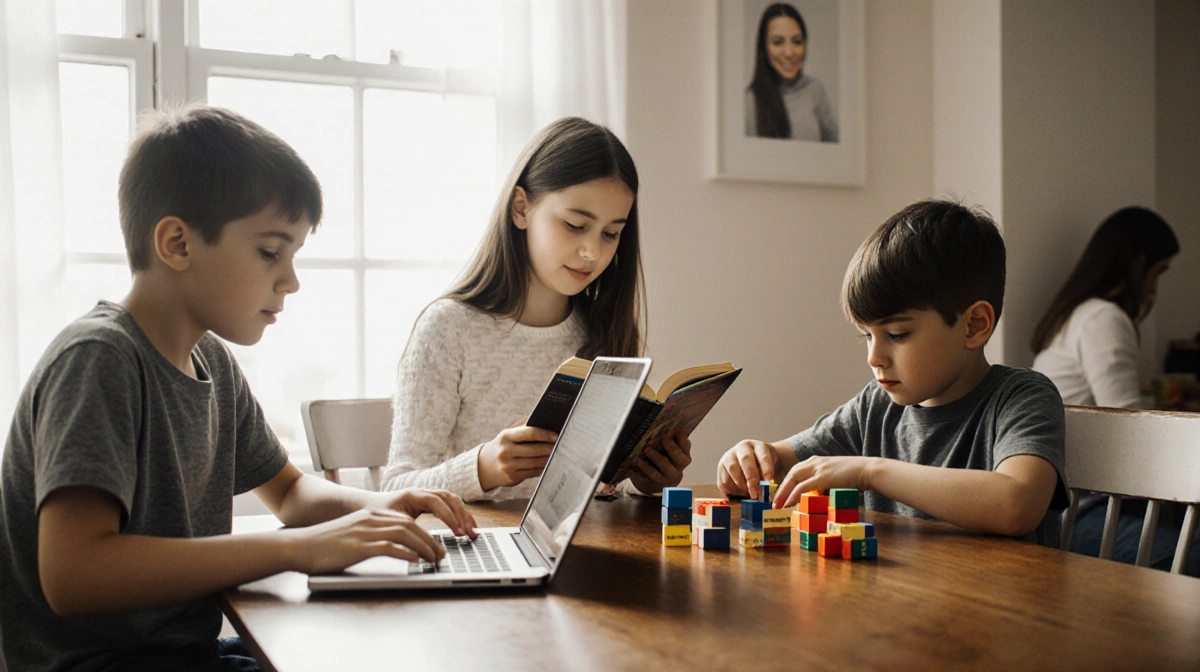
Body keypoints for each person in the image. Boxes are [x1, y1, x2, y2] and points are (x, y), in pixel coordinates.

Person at [0, 105, 477, 672]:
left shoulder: (211, 361)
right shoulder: (99, 360)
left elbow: (293, 496)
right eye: (271, 252)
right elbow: (74, 575)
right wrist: (295, 550)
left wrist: (380, 507)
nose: (291, 281)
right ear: (177, 243)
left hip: (184, 653)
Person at [717, 200, 1069, 546]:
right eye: (867, 336)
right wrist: (748, 461)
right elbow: (779, 466)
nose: (875, 357)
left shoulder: (1022, 396)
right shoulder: (876, 406)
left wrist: (870, 472)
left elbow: (1016, 505)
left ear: (974, 325)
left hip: (1006, 601)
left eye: (896, 335)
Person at [380, 117, 691, 501]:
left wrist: (647, 482)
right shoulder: (447, 329)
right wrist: (483, 467)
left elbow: (605, 491)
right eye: (576, 225)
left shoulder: (603, 330)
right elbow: (395, 488)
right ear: (521, 209)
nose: (592, 252)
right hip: (482, 549)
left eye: (611, 234)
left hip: (582, 552)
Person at [1031, 207, 1195, 575]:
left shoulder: (1078, 315)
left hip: (1067, 503)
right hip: (1081, 511)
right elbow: (1130, 427)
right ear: (1138, 263)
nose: (1154, 288)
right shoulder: (1103, 318)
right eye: (1159, 273)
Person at [744, 2, 838, 142]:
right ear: (764, 48)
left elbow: (835, 147)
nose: (789, 52)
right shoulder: (750, 100)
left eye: (797, 41)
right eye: (777, 42)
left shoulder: (815, 89)